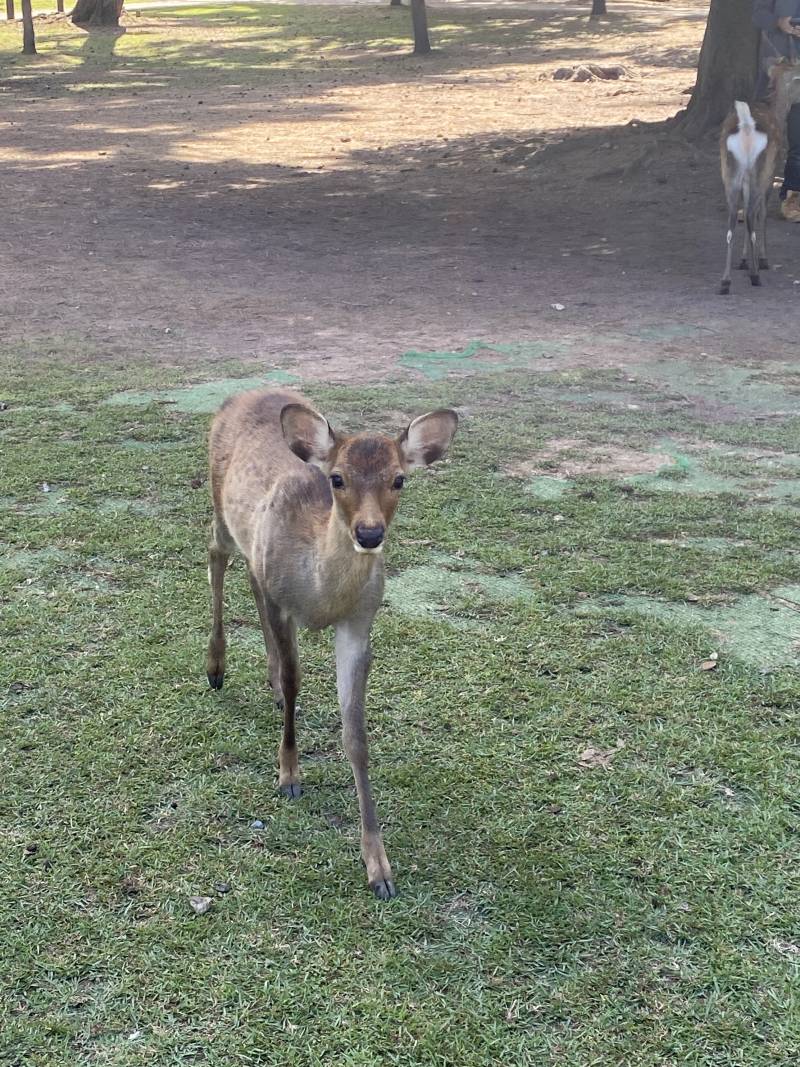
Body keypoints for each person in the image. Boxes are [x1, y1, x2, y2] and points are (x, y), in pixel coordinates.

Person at [757, 1, 800, 221]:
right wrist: (779, 22)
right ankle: (754, 200)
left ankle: (793, 198)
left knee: (799, 141)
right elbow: (757, 15)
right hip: (773, 74)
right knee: (764, 139)